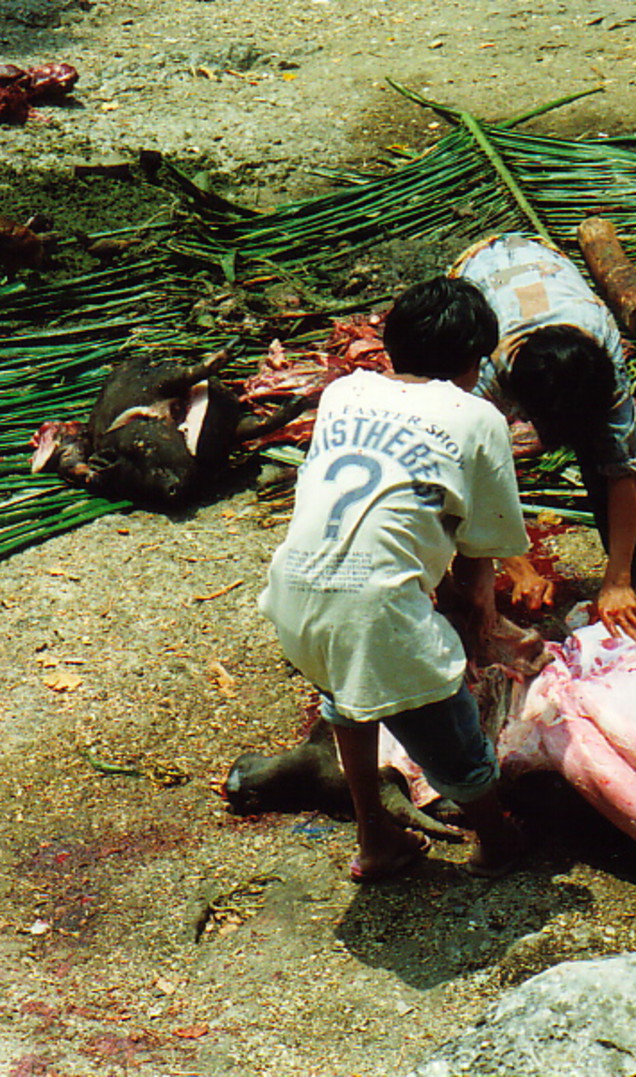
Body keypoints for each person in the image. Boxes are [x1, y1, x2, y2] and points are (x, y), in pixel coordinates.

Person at [258, 277, 528, 883]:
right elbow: (481, 546)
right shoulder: (478, 416)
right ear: (472, 363)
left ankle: (376, 836)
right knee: (450, 728)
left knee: (348, 699)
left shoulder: (344, 392)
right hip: (375, 607)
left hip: (294, 592)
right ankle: (495, 839)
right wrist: (474, 611)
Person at [449, 232, 636, 644]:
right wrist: (519, 568)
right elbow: (468, 477)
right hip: (481, 270)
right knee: (478, 460)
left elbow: (621, 470)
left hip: (542, 266)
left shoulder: (599, 348)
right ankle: (469, 585)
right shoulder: (480, 371)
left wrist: (618, 580)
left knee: (601, 450)